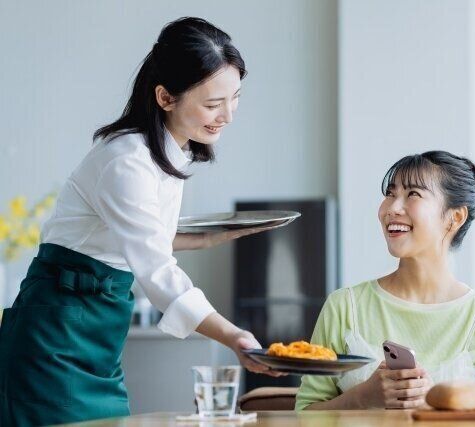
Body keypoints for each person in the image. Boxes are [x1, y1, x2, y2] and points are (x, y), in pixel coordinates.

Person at [0, 17, 280, 426]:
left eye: (234, 98)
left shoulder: (168, 152)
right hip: (55, 333)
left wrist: (209, 238)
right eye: (212, 104)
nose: (228, 115)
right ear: (165, 97)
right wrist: (232, 335)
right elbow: (156, 269)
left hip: (98, 333)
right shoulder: (125, 160)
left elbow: (142, 237)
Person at [296, 151, 475, 410]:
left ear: (455, 217)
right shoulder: (344, 307)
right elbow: (304, 415)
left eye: (413, 194)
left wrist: (434, 407)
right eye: (390, 193)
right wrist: (362, 398)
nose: (392, 208)